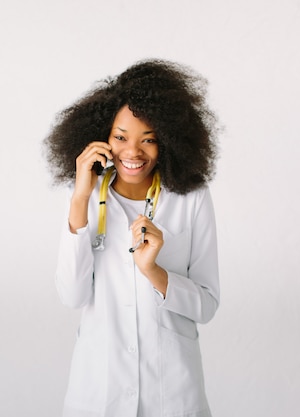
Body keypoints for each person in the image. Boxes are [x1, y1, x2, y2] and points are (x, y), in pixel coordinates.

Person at [44, 59, 221, 417]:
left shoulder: (191, 199)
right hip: (99, 394)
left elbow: (206, 306)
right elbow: (71, 294)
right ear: (101, 136)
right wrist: (79, 198)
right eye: (120, 137)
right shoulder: (85, 196)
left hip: (171, 395)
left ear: (168, 140)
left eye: (149, 139)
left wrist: (154, 271)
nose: (132, 152)